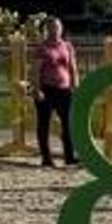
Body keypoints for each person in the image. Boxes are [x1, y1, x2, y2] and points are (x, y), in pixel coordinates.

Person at [32, 17, 78, 167]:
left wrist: (75, 84)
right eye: (52, 27)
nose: (55, 30)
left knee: (68, 123)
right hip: (46, 89)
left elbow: (72, 67)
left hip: (64, 89)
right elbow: (36, 71)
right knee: (44, 123)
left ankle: (69, 156)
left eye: (57, 27)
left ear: (62, 28)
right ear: (47, 29)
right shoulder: (42, 47)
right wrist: (37, 89)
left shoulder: (67, 46)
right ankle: (46, 158)